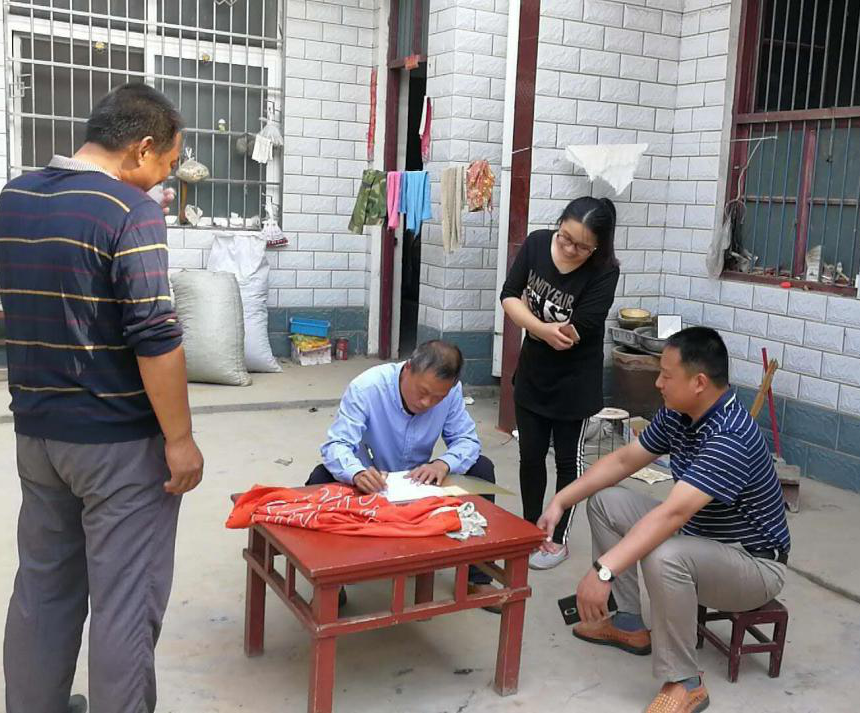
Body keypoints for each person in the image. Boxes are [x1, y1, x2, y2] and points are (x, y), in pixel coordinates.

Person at [0, 83, 202, 713]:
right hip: (116, 445)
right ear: (142, 148)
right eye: (167, 163)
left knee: (43, 588)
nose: (164, 179)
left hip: (38, 435)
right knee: (125, 601)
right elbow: (155, 334)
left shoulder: (16, 196)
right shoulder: (128, 210)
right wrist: (180, 439)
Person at [538, 327, 791, 713]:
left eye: (666, 375)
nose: (658, 383)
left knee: (665, 555)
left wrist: (603, 571)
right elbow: (624, 460)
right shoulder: (680, 414)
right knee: (606, 503)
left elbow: (673, 514)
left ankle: (686, 681)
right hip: (700, 538)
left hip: (752, 564)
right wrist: (561, 500)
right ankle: (628, 624)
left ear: (699, 383)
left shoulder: (731, 435)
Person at [306, 340, 503, 606]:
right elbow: (336, 445)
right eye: (423, 392)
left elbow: (467, 441)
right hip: (370, 482)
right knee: (320, 479)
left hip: (419, 481)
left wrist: (443, 464)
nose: (427, 403)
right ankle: (330, 584)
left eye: (438, 398)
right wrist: (356, 472)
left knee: (481, 469)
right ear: (408, 368)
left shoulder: (451, 392)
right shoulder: (368, 387)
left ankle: (478, 578)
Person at [500, 196, 620, 570]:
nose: (570, 249)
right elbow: (509, 295)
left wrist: (537, 323)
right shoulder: (537, 243)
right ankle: (530, 529)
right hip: (533, 373)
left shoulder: (605, 270)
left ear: (598, 247)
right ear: (559, 225)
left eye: (582, 247)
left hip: (574, 382)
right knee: (531, 456)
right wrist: (540, 328)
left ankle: (556, 538)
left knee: (568, 462)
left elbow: (575, 332)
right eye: (566, 238)